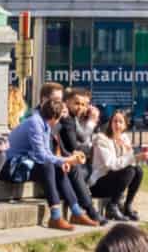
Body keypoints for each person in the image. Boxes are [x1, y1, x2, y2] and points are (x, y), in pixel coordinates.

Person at [10, 93, 94, 231]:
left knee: (56, 167)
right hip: (13, 167)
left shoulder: (44, 124)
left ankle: (76, 212)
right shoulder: (35, 123)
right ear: (55, 117)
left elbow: (47, 153)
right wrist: (67, 159)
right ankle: (55, 216)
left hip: (26, 163)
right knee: (48, 165)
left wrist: (62, 162)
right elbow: (42, 156)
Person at [88, 109, 145, 222]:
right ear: (110, 123)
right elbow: (111, 164)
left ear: (125, 125)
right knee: (130, 171)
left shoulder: (124, 138)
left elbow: (131, 163)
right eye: (115, 121)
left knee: (138, 170)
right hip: (98, 183)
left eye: (120, 122)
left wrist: (128, 150)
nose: (117, 124)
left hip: (113, 181)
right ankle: (112, 206)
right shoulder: (102, 139)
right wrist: (134, 157)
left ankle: (127, 206)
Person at [56, 91, 102, 222]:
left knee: (87, 169)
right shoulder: (67, 119)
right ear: (67, 102)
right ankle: (90, 210)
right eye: (77, 103)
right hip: (62, 160)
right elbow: (73, 146)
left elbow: (81, 137)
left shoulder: (72, 118)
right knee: (79, 169)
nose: (81, 107)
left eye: (83, 104)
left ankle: (87, 208)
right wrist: (89, 148)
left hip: (68, 159)